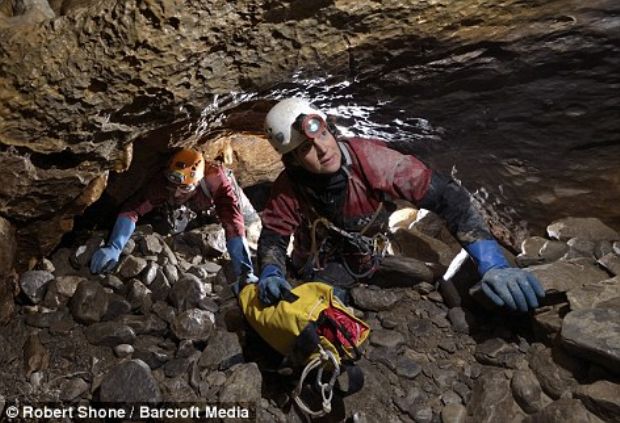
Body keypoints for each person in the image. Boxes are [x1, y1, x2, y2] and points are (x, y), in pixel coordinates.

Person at [250, 98, 545, 312]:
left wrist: (492, 263)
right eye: (305, 148)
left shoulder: (372, 161)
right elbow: (275, 236)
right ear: (293, 161)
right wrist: (272, 272)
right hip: (317, 265)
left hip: (369, 255)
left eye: (323, 135)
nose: (322, 149)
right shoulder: (289, 186)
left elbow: (449, 198)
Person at [90, 148, 256, 284]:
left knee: (251, 226)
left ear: (196, 183)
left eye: (184, 188)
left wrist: (243, 269)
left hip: (225, 201)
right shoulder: (166, 182)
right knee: (170, 226)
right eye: (174, 186)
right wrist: (115, 246)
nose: (177, 193)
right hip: (196, 206)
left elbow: (232, 220)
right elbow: (134, 209)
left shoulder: (215, 179)